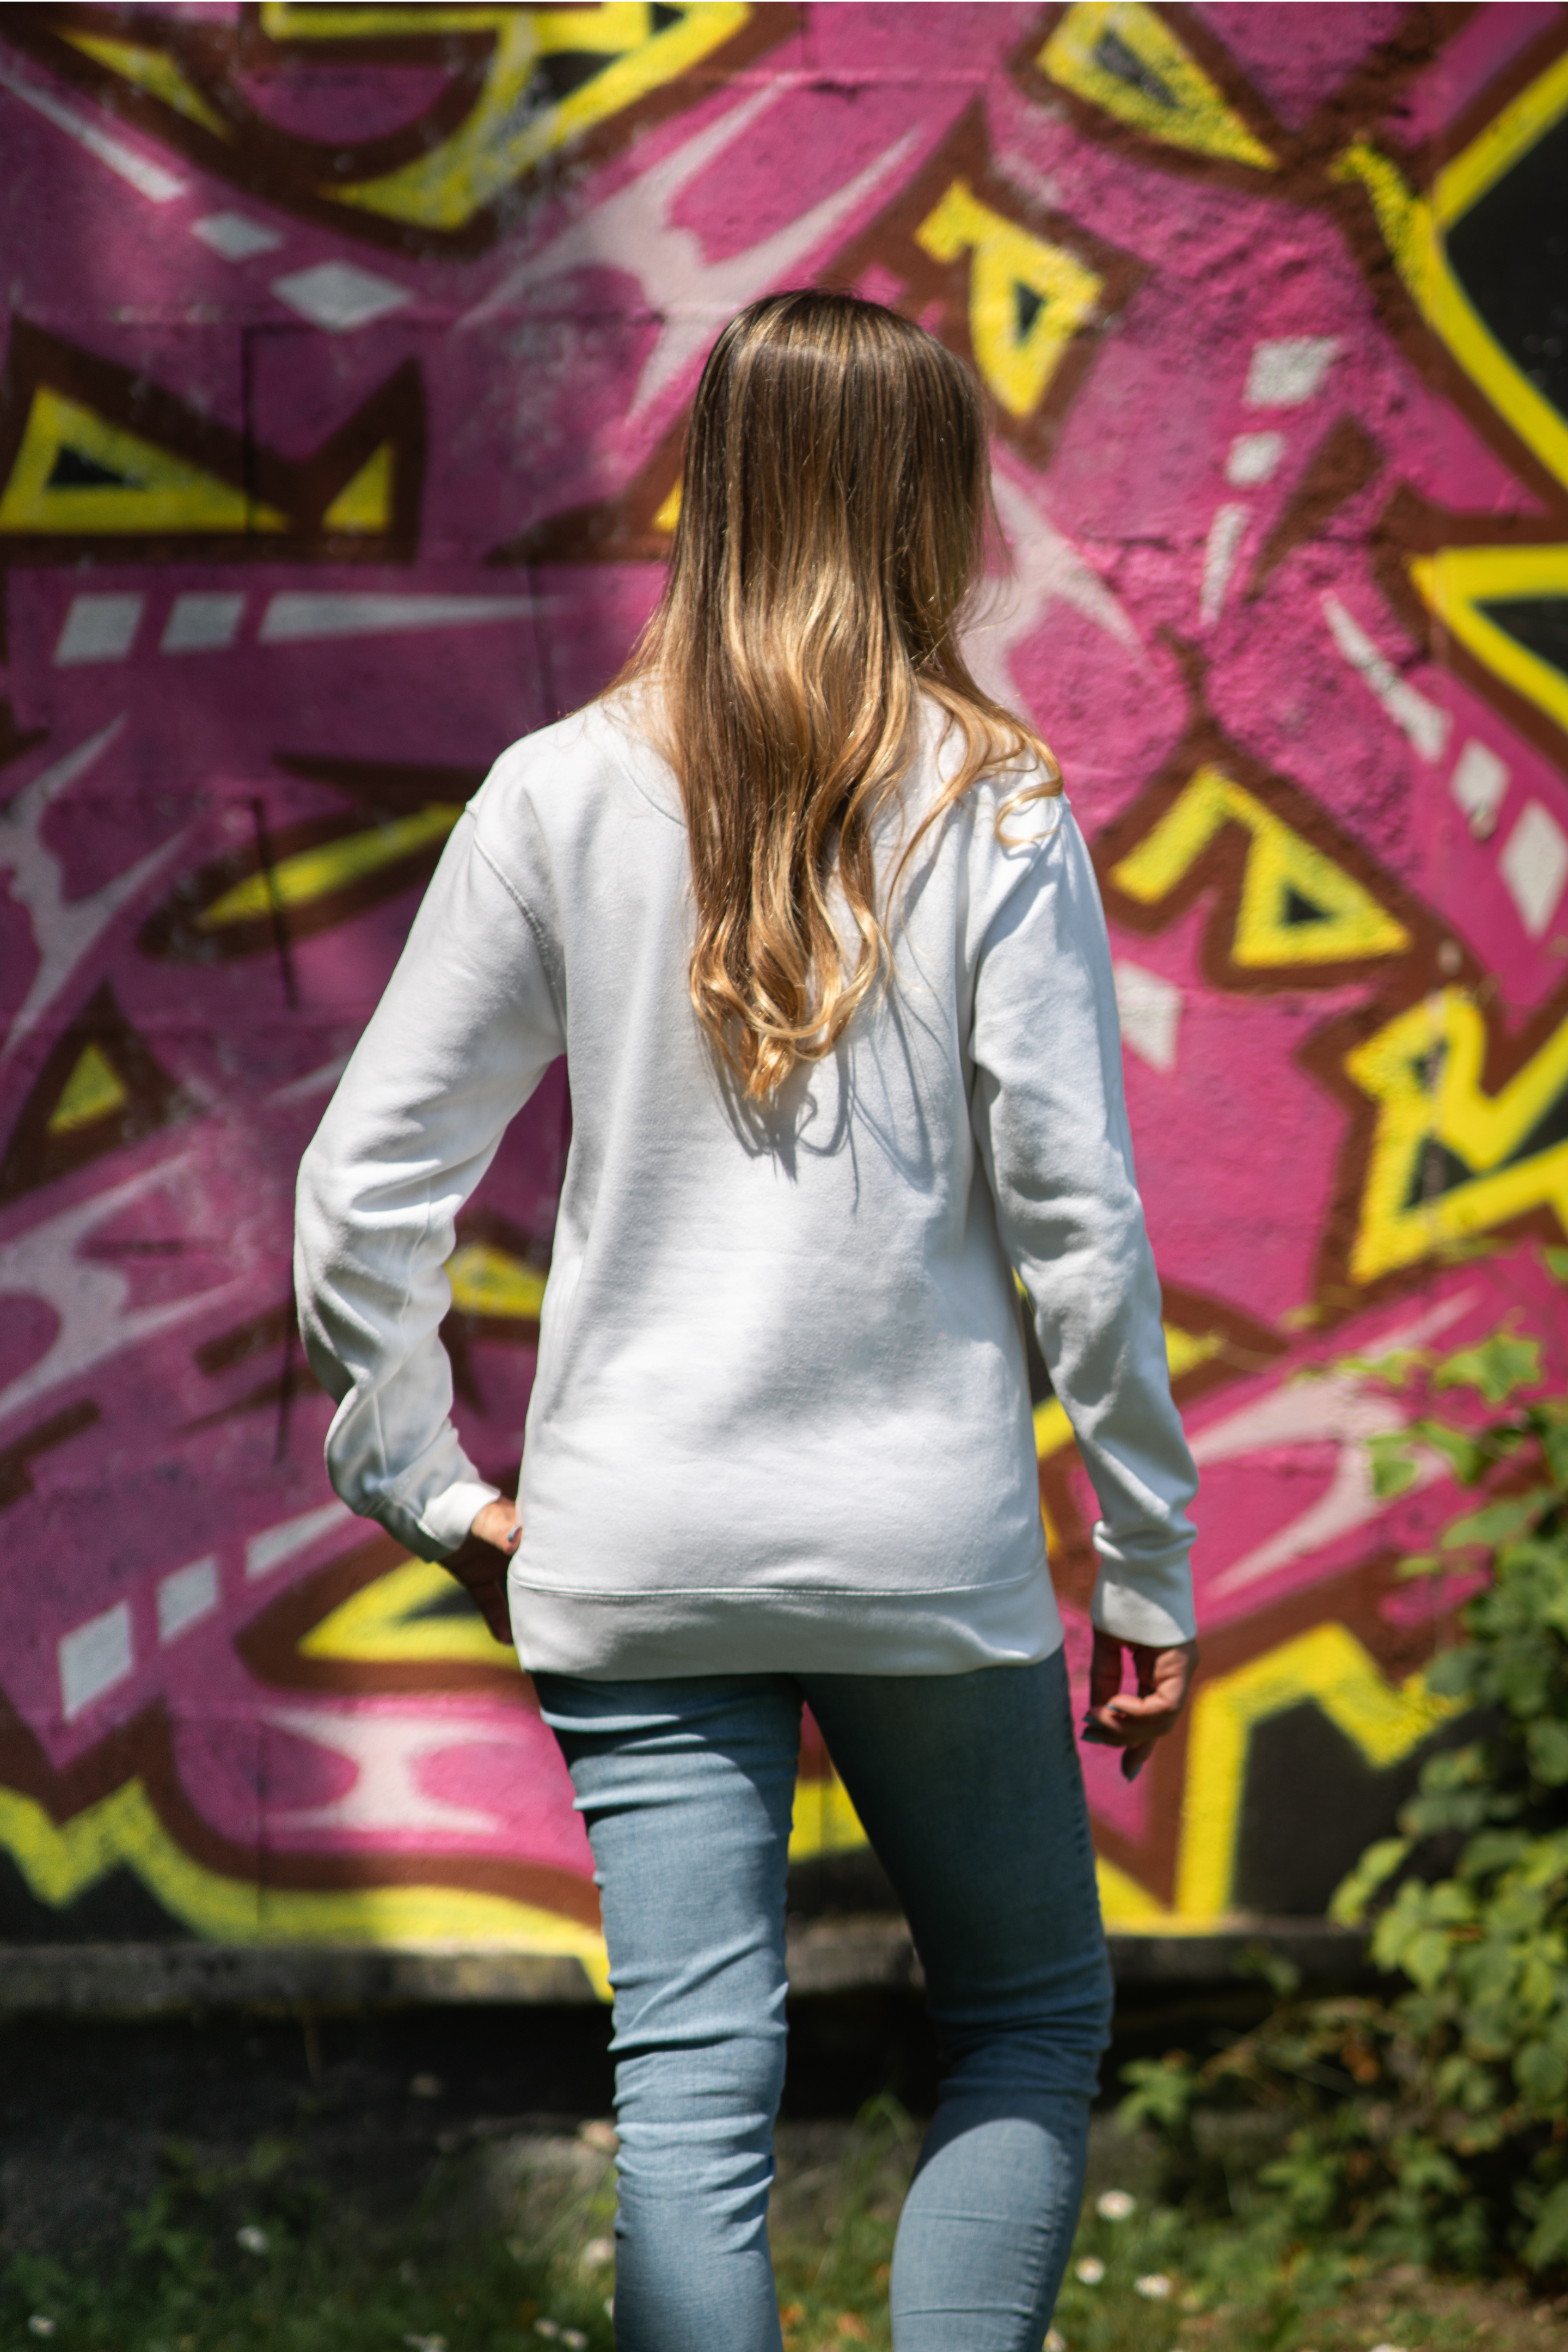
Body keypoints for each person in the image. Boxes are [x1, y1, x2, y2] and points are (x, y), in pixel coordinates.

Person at [295, 289, 1198, 2352]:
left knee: (691, 2098)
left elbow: (363, 1191)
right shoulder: (1000, 805)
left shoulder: (555, 794)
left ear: (706, 493)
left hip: (630, 1546)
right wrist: (1144, 1554)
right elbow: (1084, 1224)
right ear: (933, 510)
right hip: (923, 1555)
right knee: (1031, 2023)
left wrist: (427, 1484)